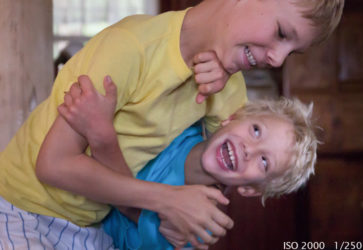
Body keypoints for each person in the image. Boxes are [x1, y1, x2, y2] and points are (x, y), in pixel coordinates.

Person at [0, 0, 343, 248]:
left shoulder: (229, 87)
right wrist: (168, 201)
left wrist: (187, 216)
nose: (277, 59)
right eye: (282, 33)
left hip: (88, 226)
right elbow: (53, 165)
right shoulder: (131, 47)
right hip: (25, 205)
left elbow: (213, 189)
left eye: (292, 52)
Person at [57, 78, 317, 250]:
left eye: (263, 162)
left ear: (251, 190)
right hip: (73, 199)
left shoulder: (200, 221)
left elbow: (127, 204)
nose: (249, 149)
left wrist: (103, 138)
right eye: (256, 130)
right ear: (232, 117)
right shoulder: (185, 125)